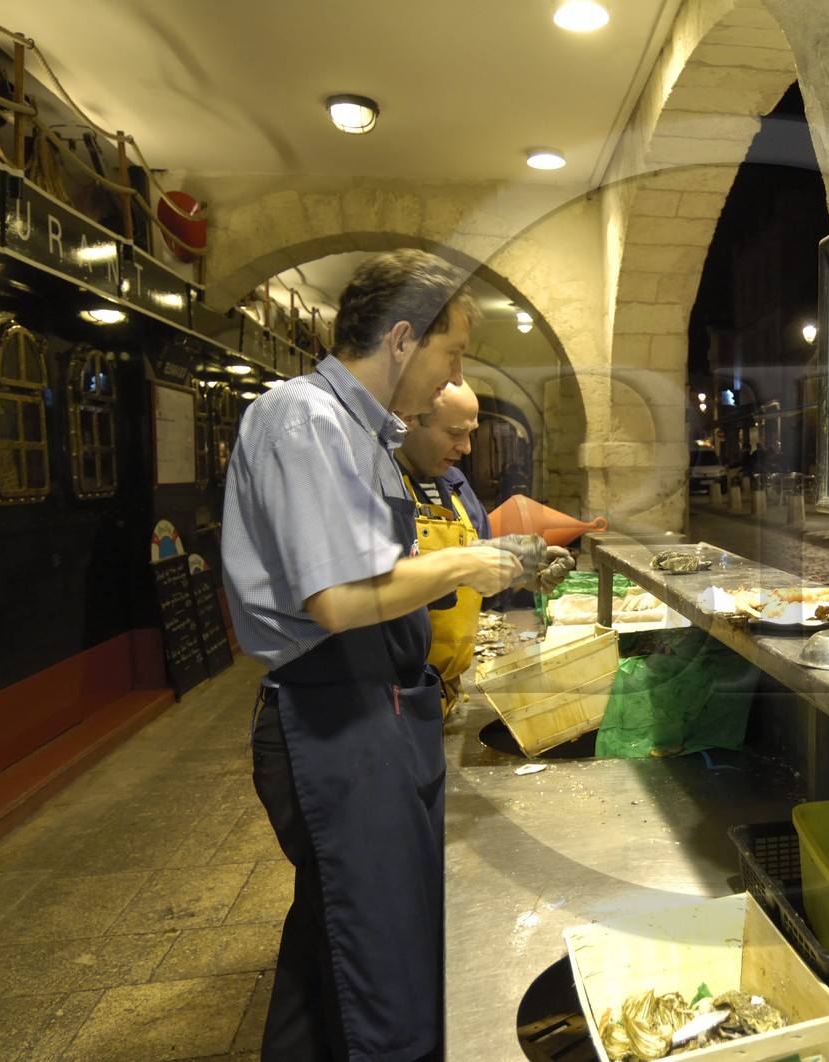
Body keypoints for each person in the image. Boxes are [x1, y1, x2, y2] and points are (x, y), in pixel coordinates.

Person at [221, 248, 525, 1061]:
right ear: (402, 340)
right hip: (335, 713)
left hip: (375, 706)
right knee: (384, 964)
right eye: (451, 354)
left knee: (334, 939)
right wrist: (469, 563)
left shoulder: (361, 433)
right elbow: (337, 599)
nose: (452, 374)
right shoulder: (303, 418)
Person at [397, 381, 573, 708]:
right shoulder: (387, 490)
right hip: (396, 697)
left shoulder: (457, 488)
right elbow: (384, 586)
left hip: (445, 690)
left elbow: (479, 582)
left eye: (470, 434)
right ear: (408, 420)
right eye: (453, 433)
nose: (466, 448)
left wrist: (524, 573)